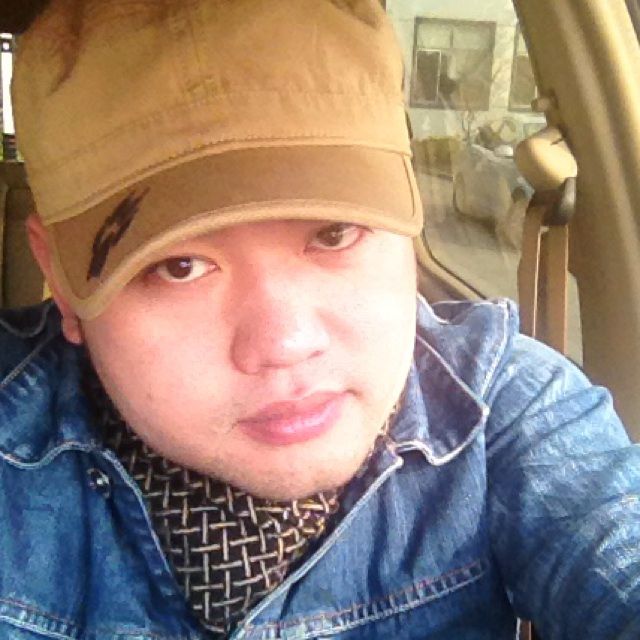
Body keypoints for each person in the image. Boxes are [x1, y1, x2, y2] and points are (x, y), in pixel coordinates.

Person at [1, 1, 638, 638]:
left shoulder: (506, 408)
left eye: (334, 233)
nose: (287, 342)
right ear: (62, 282)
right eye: (178, 267)